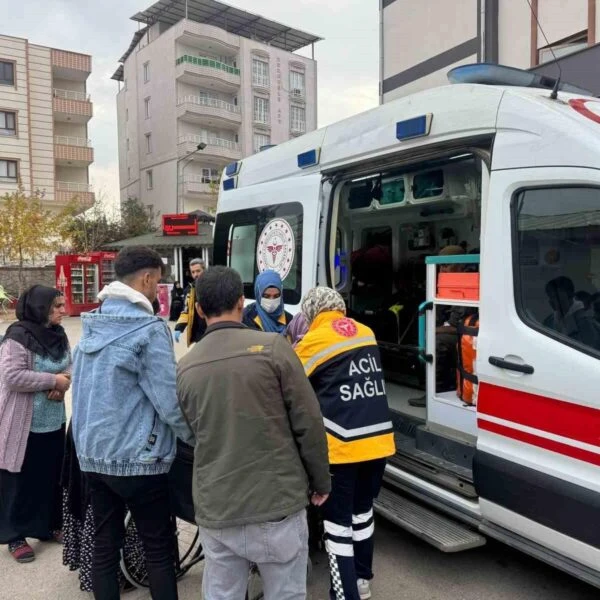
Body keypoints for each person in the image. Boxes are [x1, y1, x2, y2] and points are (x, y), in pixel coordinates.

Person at [177, 266, 331, 600]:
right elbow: (308, 422)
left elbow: (192, 431)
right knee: (286, 593)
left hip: (217, 508)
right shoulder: (274, 348)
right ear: (240, 301)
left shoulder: (186, 366)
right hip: (276, 503)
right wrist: (321, 482)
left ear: (200, 309)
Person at [71, 246, 194, 600]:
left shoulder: (90, 324)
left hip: (93, 457)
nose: (158, 291)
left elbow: (81, 392)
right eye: (157, 283)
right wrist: (195, 438)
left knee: (105, 547)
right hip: (140, 461)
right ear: (146, 278)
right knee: (158, 548)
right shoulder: (150, 329)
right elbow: (169, 402)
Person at [295, 287, 395, 600]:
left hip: (342, 448)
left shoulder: (312, 342)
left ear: (311, 314)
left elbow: (289, 384)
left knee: (337, 526)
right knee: (363, 514)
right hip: (379, 442)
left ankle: (344, 594)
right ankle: (363, 580)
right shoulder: (366, 332)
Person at [0, 285, 72, 563]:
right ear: (40, 308)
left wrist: (64, 383)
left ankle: (48, 525)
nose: (62, 311)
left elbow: (70, 365)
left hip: (52, 419)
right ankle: (15, 535)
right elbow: (13, 377)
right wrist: (52, 381)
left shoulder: (59, 334)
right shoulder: (17, 337)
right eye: (56, 306)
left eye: (63, 305)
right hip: (22, 423)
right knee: (19, 480)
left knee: (51, 475)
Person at [543, 276, 599, 348]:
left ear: (571, 295)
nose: (552, 301)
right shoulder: (549, 321)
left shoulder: (586, 322)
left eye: (556, 296)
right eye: (550, 297)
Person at [174, 258, 206, 346]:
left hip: (212, 330)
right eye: (193, 272)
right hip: (198, 332)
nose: (195, 274)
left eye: (198, 271)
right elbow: (185, 310)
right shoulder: (189, 290)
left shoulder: (214, 286)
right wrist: (179, 328)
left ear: (204, 270)